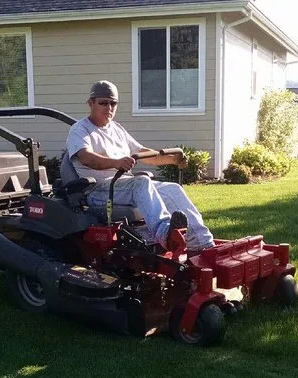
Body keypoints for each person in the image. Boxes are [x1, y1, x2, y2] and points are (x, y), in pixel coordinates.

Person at [65, 80, 215, 252]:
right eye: (103, 103)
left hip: (122, 186)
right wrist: (116, 162)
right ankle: (165, 235)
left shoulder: (117, 129)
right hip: (97, 190)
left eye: (113, 103)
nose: (109, 108)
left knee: (172, 189)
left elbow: (141, 152)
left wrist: (173, 160)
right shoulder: (80, 129)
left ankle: (203, 244)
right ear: (91, 103)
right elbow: (86, 157)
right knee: (141, 182)